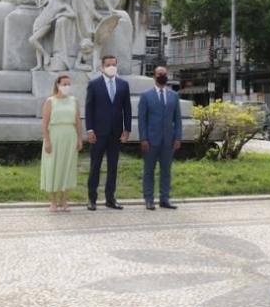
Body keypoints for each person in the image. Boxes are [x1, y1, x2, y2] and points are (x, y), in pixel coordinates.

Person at [84, 55, 131, 210]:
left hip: (116, 133)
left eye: (114, 64)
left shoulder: (123, 85)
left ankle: (110, 198)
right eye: (108, 64)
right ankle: (92, 199)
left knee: (113, 167)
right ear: (102, 67)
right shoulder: (94, 84)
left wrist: (127, 129)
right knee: (95, 166)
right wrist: (89, 129)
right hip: (98, 133)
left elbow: (127, 109)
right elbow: (88, 109)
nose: (111, 67)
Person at [138, 66, 182, 210]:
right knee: (149, 171)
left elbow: (178, 119)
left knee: (166, 171)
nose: (162, 76)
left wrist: (178, 138)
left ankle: (165, 199)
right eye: (159, 74)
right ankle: (149, 199)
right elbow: (142, 119)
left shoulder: (174, 95)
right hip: (150, 140)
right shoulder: (146, 95)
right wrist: (143, 138)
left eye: (164, 74)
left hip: (168, 141)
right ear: (154, 77)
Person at [40, 74, 83, 212]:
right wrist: (47, 140)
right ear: (57, 85)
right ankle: (53, 201)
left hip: (70, 136)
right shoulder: (50, 101)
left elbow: (77, 121)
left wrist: (79, 138)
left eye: (69, 84)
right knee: (53, 167)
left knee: (67, 167)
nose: (67, 87)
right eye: (64, 84)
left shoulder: (74, 101)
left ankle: (64, 200)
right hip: (54, 136)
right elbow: (45, 123)